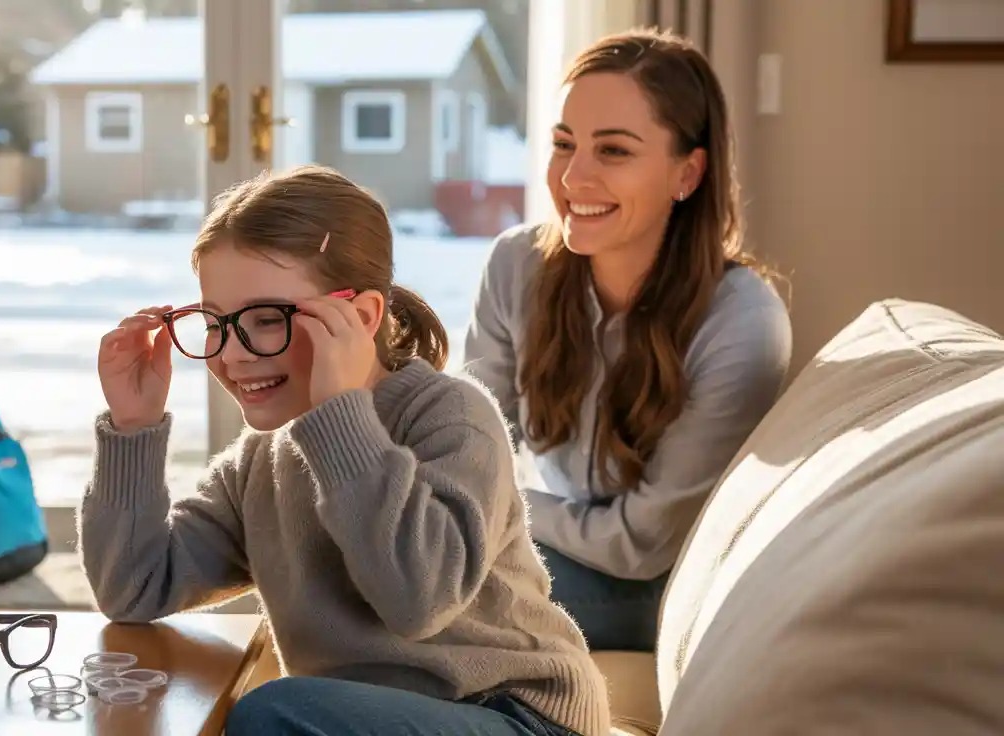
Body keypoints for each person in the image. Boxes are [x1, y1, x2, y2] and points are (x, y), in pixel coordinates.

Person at [81, 164, 611, 736]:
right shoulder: (263, 458)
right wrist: (133, 430)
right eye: (215, 323)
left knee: (273, 713)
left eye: (266, 320)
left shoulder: (452, 417)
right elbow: (133, 587)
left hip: (518, 716)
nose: (231, 356)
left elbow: (418, 599)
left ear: (359, 318)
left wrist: (338, 414)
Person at [463, 28, 792, 653]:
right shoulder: (516, 265)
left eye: (613, 151)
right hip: (552, 546)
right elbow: (466, 444)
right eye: (564, 144)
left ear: (687, 173)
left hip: (662, 589)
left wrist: (498, 504)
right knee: (357, 557)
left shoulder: (742, 322)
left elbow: (641, 547)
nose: (573, 177)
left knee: (420, 589)